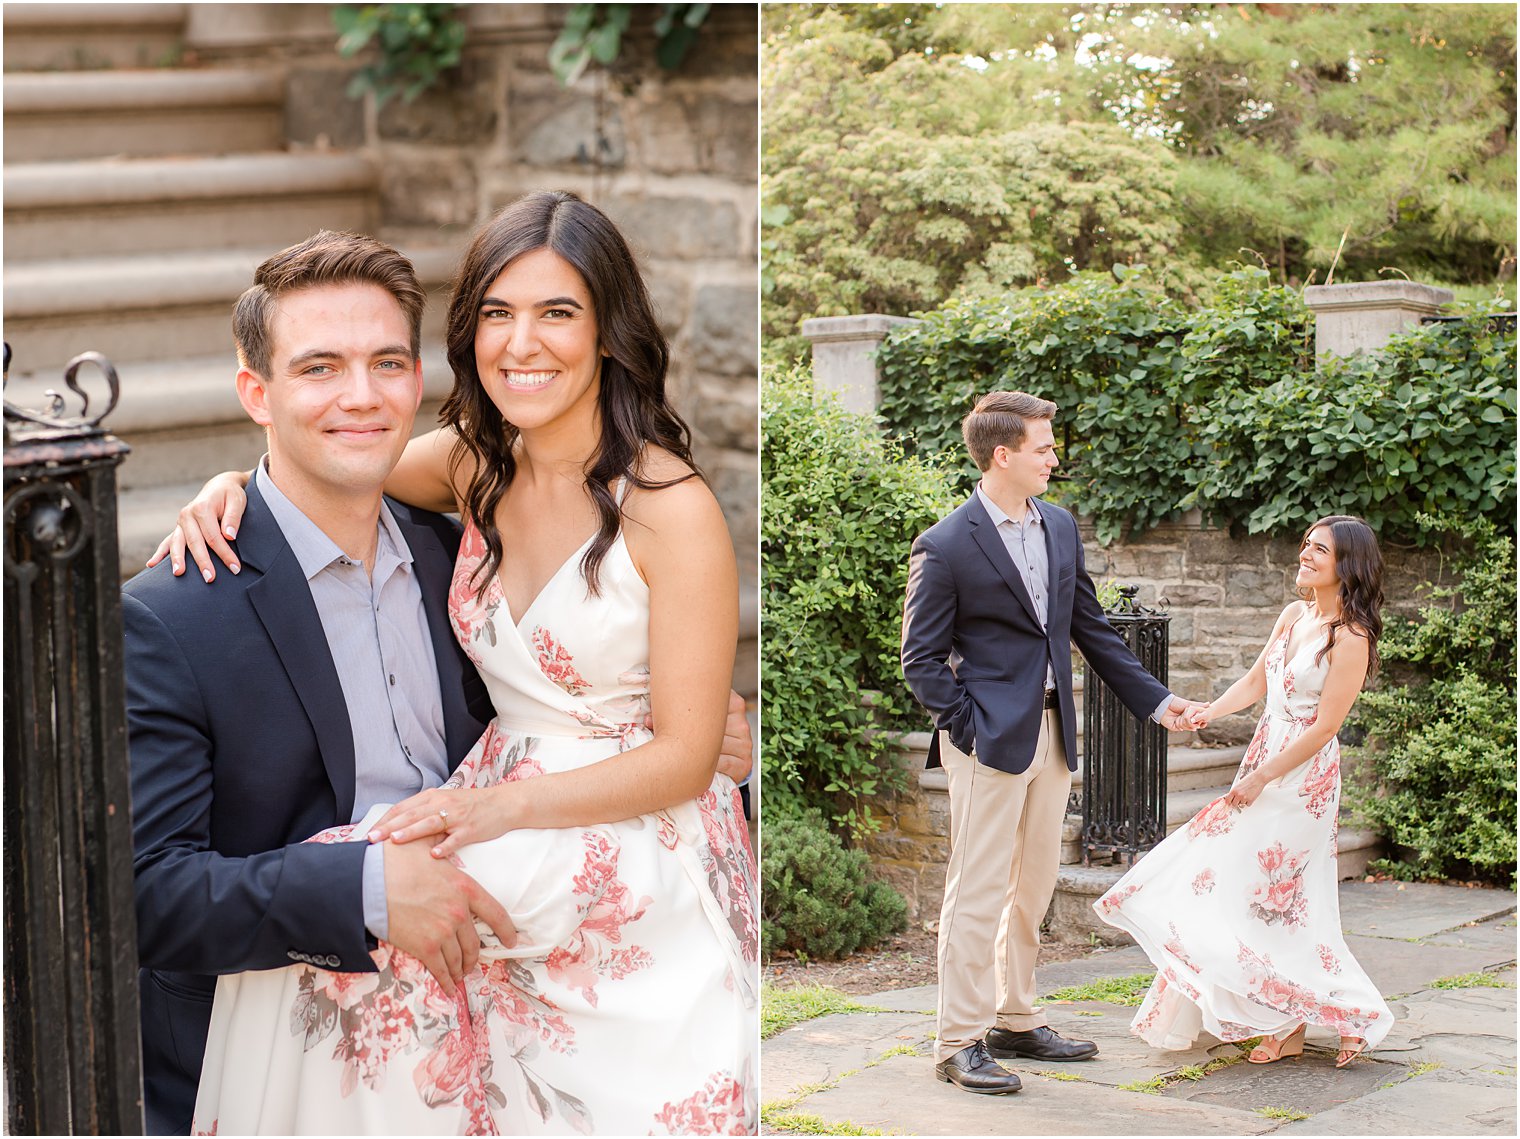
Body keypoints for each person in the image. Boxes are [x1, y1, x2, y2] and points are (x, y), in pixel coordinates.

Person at [130, 201, 756, 1135]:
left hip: (604, 832)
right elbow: (340, 452)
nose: (523, 342)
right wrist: (229, 488)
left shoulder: (663, 505)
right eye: (498, 314)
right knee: (360, 909)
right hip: (484, 829)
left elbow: (687, 748)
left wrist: (496, 807)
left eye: (558, 311)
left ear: (608, 330)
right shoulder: (475, 471)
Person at [900, 390, 1203, 1096]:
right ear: (1002, 454)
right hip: (987, 741)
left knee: (1031, 886)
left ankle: (1014, 1016)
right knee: (974, 893)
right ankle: (957, 1040)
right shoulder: (945, 543)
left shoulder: (1060, 526)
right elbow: (920, 658)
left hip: (1054, 733)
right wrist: (969, 729)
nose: (1054, 457)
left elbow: (1091, 629)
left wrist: (1158, 702)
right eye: (1043, 447)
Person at [1094, 515, 1393, 1069]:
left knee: (1282, 900)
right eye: (1306, 544)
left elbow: (1326, 728)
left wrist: (1262, 777)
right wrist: (1206, 712)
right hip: (1264, 755)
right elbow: (1257, 683)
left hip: (1300, 777)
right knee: (1243, 890)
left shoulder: (1351, 637)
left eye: (1319, 549)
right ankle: (1288, 1017)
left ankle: (1330, 1013)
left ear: (1346, 565)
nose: (1305, 554)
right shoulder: (1293, 615)